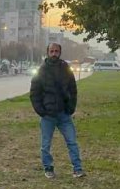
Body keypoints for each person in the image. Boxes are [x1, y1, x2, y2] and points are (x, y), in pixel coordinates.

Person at [30, 43, 84, 179]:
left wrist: (71, 107)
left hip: (64, 114)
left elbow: (73, 89)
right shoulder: (41, 70)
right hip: (48, 115)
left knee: (72, 142)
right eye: (52, 51)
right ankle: (48, 168)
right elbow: (34, 93)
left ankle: (78, 169)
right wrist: (41, 111)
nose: (54, 53)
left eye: (56, 51)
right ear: (48, 52)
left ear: (60, 52)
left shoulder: (66, 68)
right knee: (45, 145)